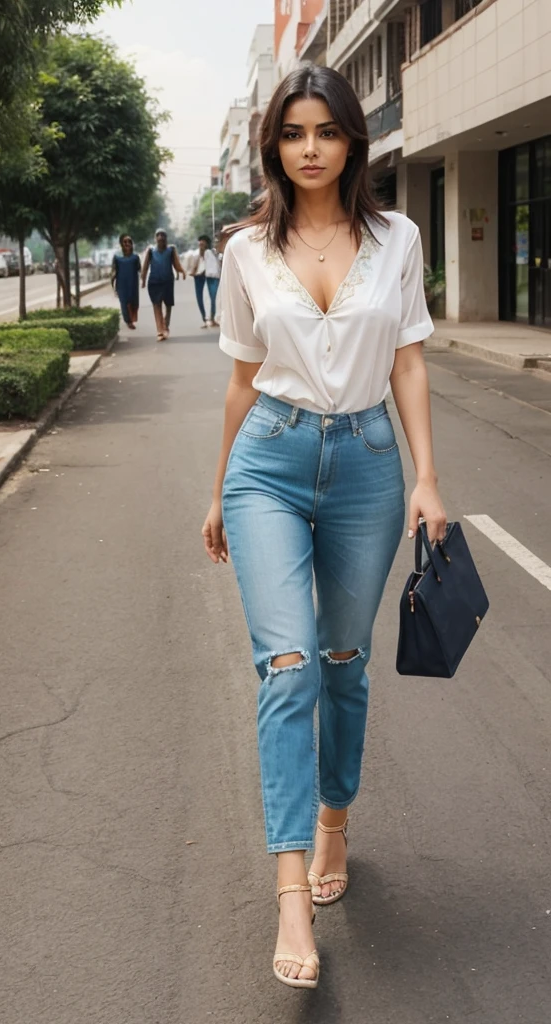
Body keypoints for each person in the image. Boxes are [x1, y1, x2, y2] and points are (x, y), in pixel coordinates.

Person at [201, 64, 447, 991]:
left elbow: (411, 363)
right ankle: (292, 889)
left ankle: (335, 818)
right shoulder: (244, 253)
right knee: (289, 663)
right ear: (273, 145)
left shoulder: (397, 238)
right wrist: (217, 488)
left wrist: (427, 477)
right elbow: (238, 381)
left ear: (352, 141)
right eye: (294, 133)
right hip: (268, 458)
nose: (310, 148)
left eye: (327, 132)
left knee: (343, 657)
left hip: (370, 471)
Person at [141, 229, 186, 341]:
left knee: (168, 305)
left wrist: (182, 271)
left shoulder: (171, 250)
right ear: (155, 238)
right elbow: (145, 266)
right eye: (158, 235)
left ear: (166, 238)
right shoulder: (151, 251)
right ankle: (160, 331)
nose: (160, 237)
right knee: (157, 306)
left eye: (163, 235)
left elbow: (176, 264)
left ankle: (166, 325)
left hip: (168, 282)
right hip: (154, 282)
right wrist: (143, 280)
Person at [189, 234, 221, 328]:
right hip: (200, 278)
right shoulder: (197, 253)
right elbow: (194, 267)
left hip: (211, 277)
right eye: (200, 241)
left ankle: (211, 318)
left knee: (212, 298)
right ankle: (205, 318)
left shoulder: (211, 252)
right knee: (201, 299)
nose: (201, 243)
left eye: (203, 241)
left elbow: (216, 263)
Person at [111, 235, 141, 330]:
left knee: (134, 302)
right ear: (121, 244)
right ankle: (128, 321)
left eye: (129, 242)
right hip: (121, 284)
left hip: (133, 283)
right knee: (124, 303)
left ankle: (131, 319)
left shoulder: (135, 257)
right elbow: (113, 271)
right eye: (125, 242)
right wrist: (113, 284)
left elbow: (139, 268)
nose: (127, 244)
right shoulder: (117, 257)